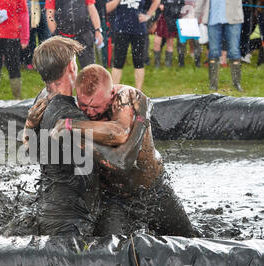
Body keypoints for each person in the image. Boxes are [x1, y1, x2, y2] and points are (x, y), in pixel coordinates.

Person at [14, 36, 150, 237]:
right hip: (71, 220)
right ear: (71, 66)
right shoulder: (72, 120)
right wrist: (142, 119)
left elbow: (31, 151)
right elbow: (120, 162)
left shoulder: (42, 98)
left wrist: (28, 126)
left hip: (47, 206)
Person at [56, 64, 197, 236]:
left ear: (111, 94)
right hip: (115, 199)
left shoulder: (126, 97)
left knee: (190, 241)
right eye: (84, 105)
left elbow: (119, 133)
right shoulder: (76, 107)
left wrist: (71, 125)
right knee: (109, 250)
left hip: (154, 190)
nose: (90, 113)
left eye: (96, 107)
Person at [106, 0, 160, 91]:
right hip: (121, 29)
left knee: (139, 63)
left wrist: (148, 15)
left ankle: (138, 92)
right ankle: (114, 92)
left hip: (138, 30)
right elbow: (107, 8)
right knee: (118, 62)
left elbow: (157, 1)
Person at [195, 0, 244, 91]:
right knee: (213, 52)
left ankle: (237, 84)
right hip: (213, 19)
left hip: (234, 17)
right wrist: (196, 16)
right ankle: (213, 85)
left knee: (234, 51)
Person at [45, 0, 104, 68]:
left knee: (89, 69)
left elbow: (92, 10)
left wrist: (98, 30)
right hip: (63, 37)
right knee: (62, 70)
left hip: (83, 34)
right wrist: (56, 35)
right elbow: (50, 15)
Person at [153, 0, 184, 68]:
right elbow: (157, 7)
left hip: (172, 21)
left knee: (170, 43)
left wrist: (166, 7)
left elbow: (180, 8)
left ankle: (168, 64)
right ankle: (157, 64)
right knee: (156, 42)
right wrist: (155, 21)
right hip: (161, 20)